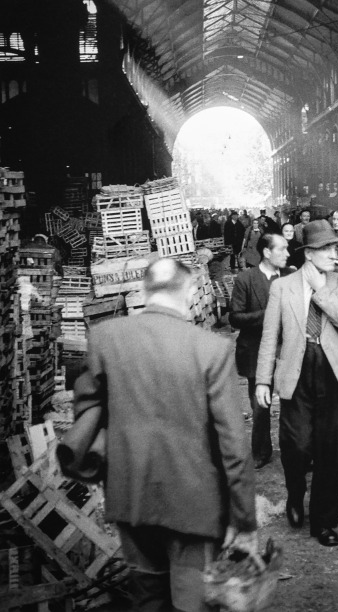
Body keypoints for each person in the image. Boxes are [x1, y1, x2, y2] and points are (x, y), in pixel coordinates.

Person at [72, 257, 257, 611]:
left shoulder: (105, 338)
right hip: (194, 507)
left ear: (145, 291)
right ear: (188, 291)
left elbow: (87, 415)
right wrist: (244, 519)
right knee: (190, 600)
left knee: (147, 597)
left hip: (131, 498)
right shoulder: (211, 349)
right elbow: (232, 443)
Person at [256, 220, 338, 548]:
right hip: (295, 373)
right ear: (309, 254)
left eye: (334, 246)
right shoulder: (282, 287)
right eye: (327, 248)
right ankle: (295, 494)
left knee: (330, 451)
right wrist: (263, 380)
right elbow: (270, 336)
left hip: (332, 373)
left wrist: (321, 289)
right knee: (296, 446)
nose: (334, 253)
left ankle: (325, 522)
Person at [229, 233, 293, 469]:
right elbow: (235, 317)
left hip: (287, 351)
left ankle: (294, 452)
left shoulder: (290, 276)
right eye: (282, 249)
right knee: (260, 406)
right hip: (256, 351)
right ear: (267, 252)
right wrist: (267, 315)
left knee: (292, 404)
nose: (287, 253)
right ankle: (261, 452)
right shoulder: (246, 279)